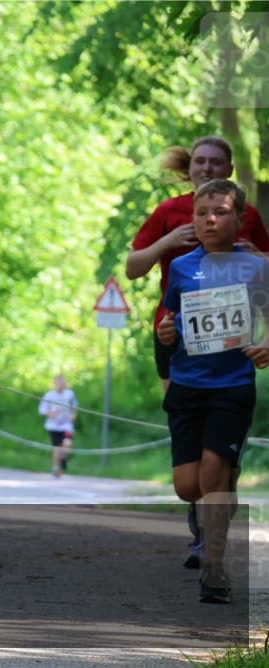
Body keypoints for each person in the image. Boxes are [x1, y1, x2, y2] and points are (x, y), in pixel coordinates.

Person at [125, 135, 269, 570]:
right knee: (190, 439)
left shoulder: (242, 215)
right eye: (200, 162)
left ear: (227, 170)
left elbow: (267, 263)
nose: (206, 168)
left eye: (216, 163)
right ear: (190, 168)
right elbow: (133, 267)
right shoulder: (171, 213)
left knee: (217, 445)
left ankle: (208, 540)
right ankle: (205, 514)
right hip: (173, 335)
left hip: (228, 341)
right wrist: (167, 244)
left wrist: (250, 251)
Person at [157, 179, 269, 603]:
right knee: (189, 486)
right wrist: (167, 332)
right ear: (193, 219)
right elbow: (172, 319)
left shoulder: (255, 266)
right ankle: (224, 481)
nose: (210, 220)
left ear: (239, 220)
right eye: (203, 213)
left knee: (212, 475)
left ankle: (215, 570)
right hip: (187, 385)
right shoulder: (183, 267)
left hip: (233, 386)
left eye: (221, 212)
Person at [38, 374, 78, 477]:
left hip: (66, 425)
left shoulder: (70, 394)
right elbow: (42, 409)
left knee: (67, 444)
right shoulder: (49, 395)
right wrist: (50, 413)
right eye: (58, 382)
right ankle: (56, 469)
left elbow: (74, 406)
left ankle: (63, 458)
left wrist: (73, 415)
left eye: (62, 382)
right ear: (54, 383)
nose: (61, 384)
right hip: (53, 426)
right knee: (57, 448)